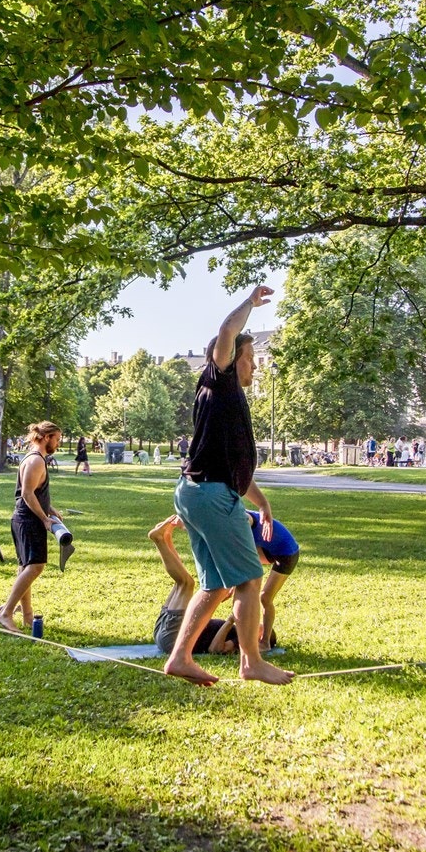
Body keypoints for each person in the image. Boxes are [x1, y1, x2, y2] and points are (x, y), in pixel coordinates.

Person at [165, 285, 293, 687]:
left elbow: (234, 467)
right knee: (250, 579)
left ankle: (180, 658)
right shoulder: (217, 381)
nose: (254, 367)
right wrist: (250, 304)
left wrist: (264, 504)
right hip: (211, 495)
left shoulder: (228, 396)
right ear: (229, 359)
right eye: (251, 358)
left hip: (199, 491)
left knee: (217, 583)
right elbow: (226, 331)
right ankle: (251, 660)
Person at [0, 421, 63, 633]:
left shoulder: (35, 458)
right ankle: (6, 613)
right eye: (57, 439)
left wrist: (49, 508)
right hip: (28, 521)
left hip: (24, 519)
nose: (58, 444)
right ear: (46, 437)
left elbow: (34, 491)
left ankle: (27, 616)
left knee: (26, 567)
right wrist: (45, 518)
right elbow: (26, 494)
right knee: (36, 566)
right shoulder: (36, 461)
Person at [149, 516, 238, 656]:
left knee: (186, 583)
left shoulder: (242, 639)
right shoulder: (242, 630)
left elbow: (215, 649)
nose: (260, 625)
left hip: (173, 639)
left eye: (263, 630)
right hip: (167, 631)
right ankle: (165, 538)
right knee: (181, 584)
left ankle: (160, 540)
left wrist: (231, 619)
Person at [247, 509, 298, 648]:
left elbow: (247, 521)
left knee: (265, 598)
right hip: (266, 549)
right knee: (244, 588)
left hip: (287, 553)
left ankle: (265, 642)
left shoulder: (242, 518)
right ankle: (248, 635)